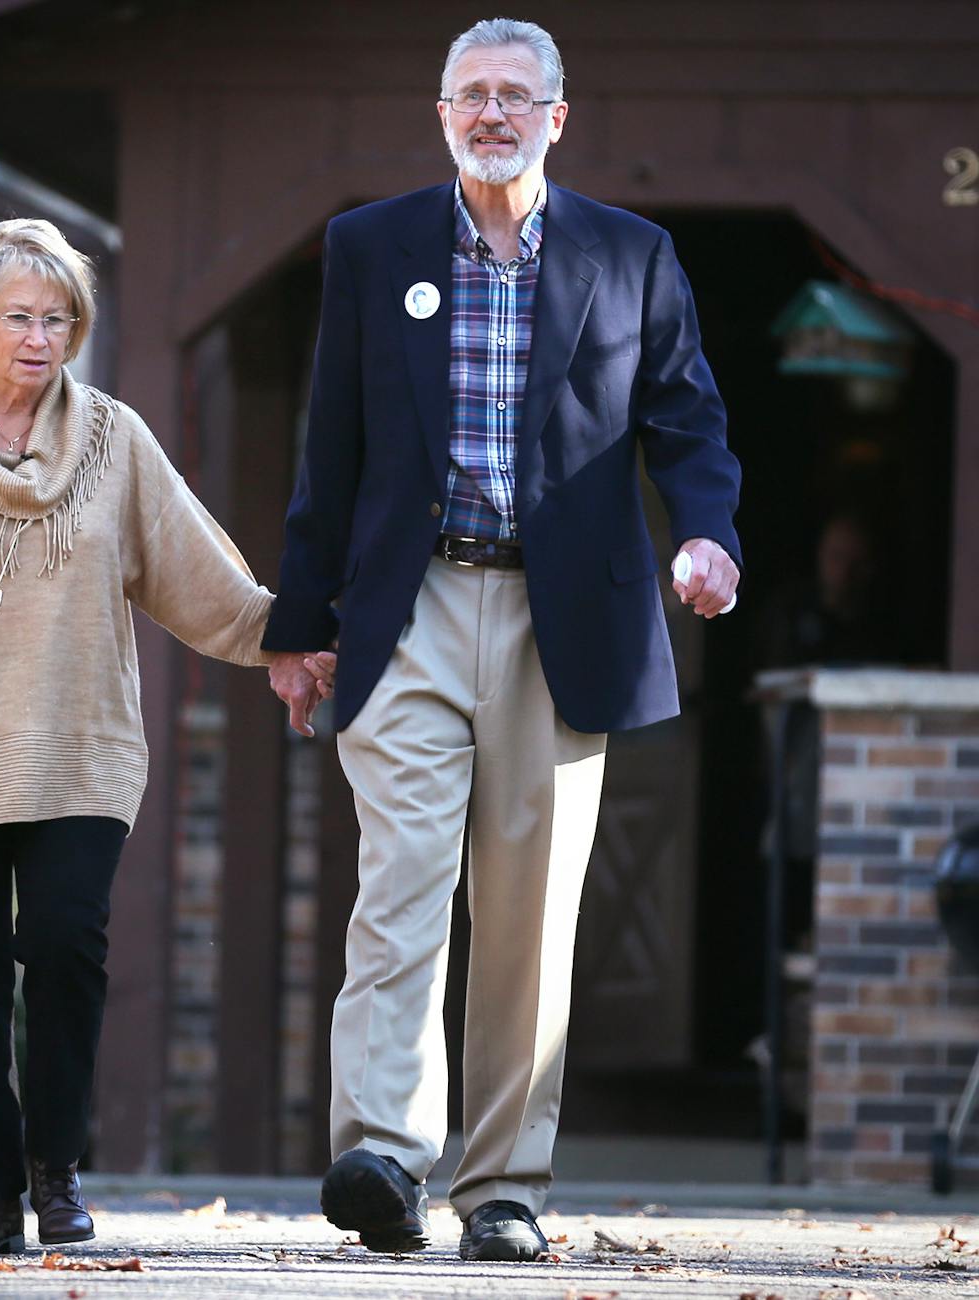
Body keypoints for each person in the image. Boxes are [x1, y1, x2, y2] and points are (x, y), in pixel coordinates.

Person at [263, 17, 742, 1263]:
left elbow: (688, 424)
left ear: (554, 118)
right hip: (410, 605)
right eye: (468, 94)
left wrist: (705, 536)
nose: (491, 112)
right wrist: (296, 627)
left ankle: (501, 1189)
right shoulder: (370, 248)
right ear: (440, 116)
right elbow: (332, 450)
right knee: (402, 880)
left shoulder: (629, 255)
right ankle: (380, 1150)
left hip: (561, 614)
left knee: (529, 914)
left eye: (513, 95)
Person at [0, 219, 333, 1254]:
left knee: (63, 947)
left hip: (77, 748)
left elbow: (192, 566)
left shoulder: (115, 440)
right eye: (19, 316)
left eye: (57, 317)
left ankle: (58, 1172)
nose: (40, 337)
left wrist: (286, 638)